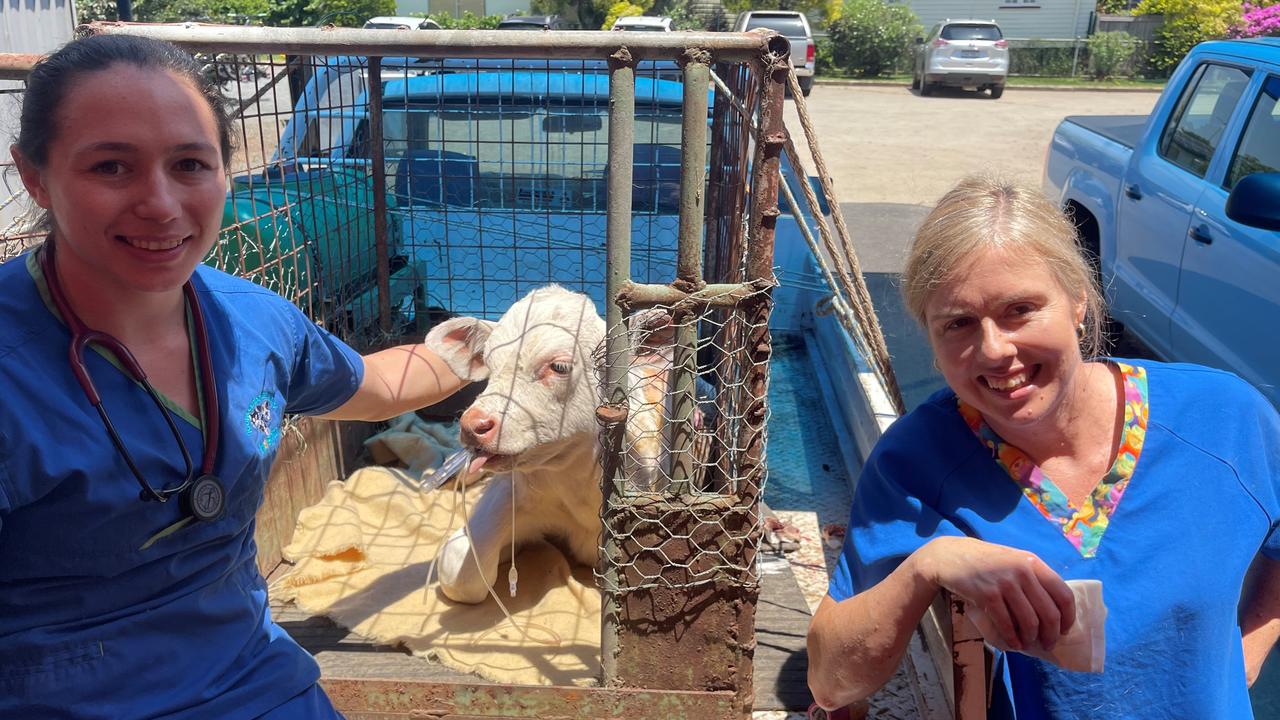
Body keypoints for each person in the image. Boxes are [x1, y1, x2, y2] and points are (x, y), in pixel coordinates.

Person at [0, 35, 469, 718]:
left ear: (226, 173)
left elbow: (376, 387)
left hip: (254, 678)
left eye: (190, 164)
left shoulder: (253, 322)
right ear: (35, 175)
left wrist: (474, 353)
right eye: (112, 167)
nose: (160, 204)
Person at [806, 175, 1280, 718]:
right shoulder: (916, 460)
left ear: (1078, 300)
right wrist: (929, 564)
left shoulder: (1221, 419)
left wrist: (1248, 652)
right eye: (958, 323)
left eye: (1020, 309)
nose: (993, 350)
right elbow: (831, 681)